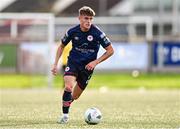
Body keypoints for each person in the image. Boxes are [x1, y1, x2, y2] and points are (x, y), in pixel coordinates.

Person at [51, 6, 114, 124]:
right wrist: (55, 64)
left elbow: (110, 50)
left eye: (90, 19)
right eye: (86, 18)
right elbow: (61, 46)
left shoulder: (98, 33)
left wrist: (95, 62)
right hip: (73, 63)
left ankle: (67, 103)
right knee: (68, 87)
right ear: (79, 18)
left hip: (87, 68)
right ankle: (65, 116)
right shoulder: (72, 31)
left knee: (74, 96)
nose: (88, 21)